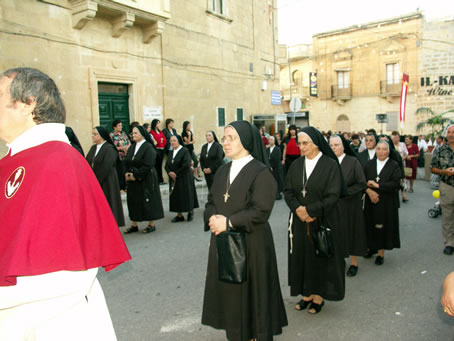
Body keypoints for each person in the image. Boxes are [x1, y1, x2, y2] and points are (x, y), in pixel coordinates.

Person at [0, 67, 130, 340]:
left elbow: (64, 275)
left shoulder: (58, 161)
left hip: (50, 324)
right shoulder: (13, 161)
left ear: (27, 105)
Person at [202, 120, 287, 340]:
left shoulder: (261, 172)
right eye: (224, 138)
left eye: (232, 138)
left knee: (253, 295)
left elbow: (261, 210)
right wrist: (212, 217)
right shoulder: (222, 170)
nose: (226, 143)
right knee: (231, 297)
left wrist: (229, 222)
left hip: (252, 245)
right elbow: (211, 200)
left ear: (246, 141)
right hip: (223, 243)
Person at [284, 127, 346, 315]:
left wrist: (311, 211)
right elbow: (287, 191)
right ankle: (306, 294)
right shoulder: (296, 165)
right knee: (302, 257)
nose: (301, 147)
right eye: (299, 143)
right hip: (300, 221)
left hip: (323, 219)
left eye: (305, 143)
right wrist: (299, 210)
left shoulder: (330, 165)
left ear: (316, 143)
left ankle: (319, 296)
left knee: (320, 258)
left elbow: (333, 194)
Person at [329, 135, 367, 277]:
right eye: (331, 145)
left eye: (336, 145)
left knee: (352, 232)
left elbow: (361, 183)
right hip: (333, 206)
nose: (334, 148)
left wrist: (345, 193)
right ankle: (338, 261)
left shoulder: (353, 162)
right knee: (336, 234)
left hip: (350, 204)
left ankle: (354, 263)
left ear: (343, 146)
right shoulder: (328, 162)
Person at [363, 140, 401, 264]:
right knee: (370, 225)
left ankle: (381, 253)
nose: (381, 152)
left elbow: (395, 184)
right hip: (371, 201)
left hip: (387, 202)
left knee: (383, 227)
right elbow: (361, 180)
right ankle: (372, 247)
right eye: (378, 149)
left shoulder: (394, 165)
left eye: (384, 149)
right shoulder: (369, 164)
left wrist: (378, 185)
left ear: (389, 151)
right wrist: (368, 189)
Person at [123, 126, 164, 234]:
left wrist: (135, 175)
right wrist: (127, 173)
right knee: (133, 201)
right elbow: (127, 161)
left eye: (136, 133)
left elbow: (148, 164)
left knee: (147, 200)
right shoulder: (132, 147)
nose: (133, 135)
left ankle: (151, 224)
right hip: (133, 177)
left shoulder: (148, 147)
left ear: (142, 133)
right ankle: (134, 224)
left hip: (146, 177)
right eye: (132, 133)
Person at [86, 126, 125, 227]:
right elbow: (87, 162)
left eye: (95, 134)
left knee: (109, 203)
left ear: (102, 136)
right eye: (92, 134)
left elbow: (106, 166)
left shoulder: (110, 149)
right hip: (95, 181)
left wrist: (95, 180)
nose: (92, 136)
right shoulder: (93, 148)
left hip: (107, 181)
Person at [431, 124, 454, 255]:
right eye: (449, 132)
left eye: (453, 132)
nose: (451, 134)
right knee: (447, 216)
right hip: (447, 186)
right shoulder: (440, 150)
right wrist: (444, 171)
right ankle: (449, 243)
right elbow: (433, 168)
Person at [165, 135, 199, 222]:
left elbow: (186, 165)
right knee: (176, 196)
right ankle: (179, 215)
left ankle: (190, 211)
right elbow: (167, 165)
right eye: (171, 141)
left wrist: (176, 173)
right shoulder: (171, 152)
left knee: (186, 195)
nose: (172, 142)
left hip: (184, 177)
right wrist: (169, 172)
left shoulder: (185, 151)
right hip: (173, 178)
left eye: (174, 141)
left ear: (179, 141)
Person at [110, 119, 131, 191]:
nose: (121, 127)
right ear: (114, 127)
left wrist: (127, 147)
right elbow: (111, 147)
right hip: (118, 157)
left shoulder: (124, 134)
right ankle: (120, 188)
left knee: (126, 171)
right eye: (119, 125)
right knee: (119, 172)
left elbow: (129, 143)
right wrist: (121, 148)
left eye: (121, 125)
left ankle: (126, 187)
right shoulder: (111, 135)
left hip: (126, 156)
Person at [391, 131, 409, 202]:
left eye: (397, 137)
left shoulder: (402, 144)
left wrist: (402, 159)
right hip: (393, 165)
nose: (396, 139)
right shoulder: (390, 145)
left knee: (402, 180)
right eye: (394, 137)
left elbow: (406, 153)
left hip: (401, 164)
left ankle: (403, 195)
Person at [150, 119, 167, 184]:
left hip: (162, 149)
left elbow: (164, 139)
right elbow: (156, 140)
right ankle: (157, 180)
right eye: (158, 123)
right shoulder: (152, 132)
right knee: (157, 165)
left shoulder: (160, 131)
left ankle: (161, 179)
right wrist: (160, 140)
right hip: (157, 149)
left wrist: (161, 140)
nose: (159, 125)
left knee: (160, 165)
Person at [267, 135, 284, 200]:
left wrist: (272, 166)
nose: (270, 141)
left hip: (276, 168)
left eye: (271, 140)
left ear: (274, 141)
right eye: (269, 139)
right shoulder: (267, 149)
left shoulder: (277, 149)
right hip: (269, 167)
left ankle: (277, 193)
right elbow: (266, 158)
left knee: (276, 180)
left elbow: (277, 159)